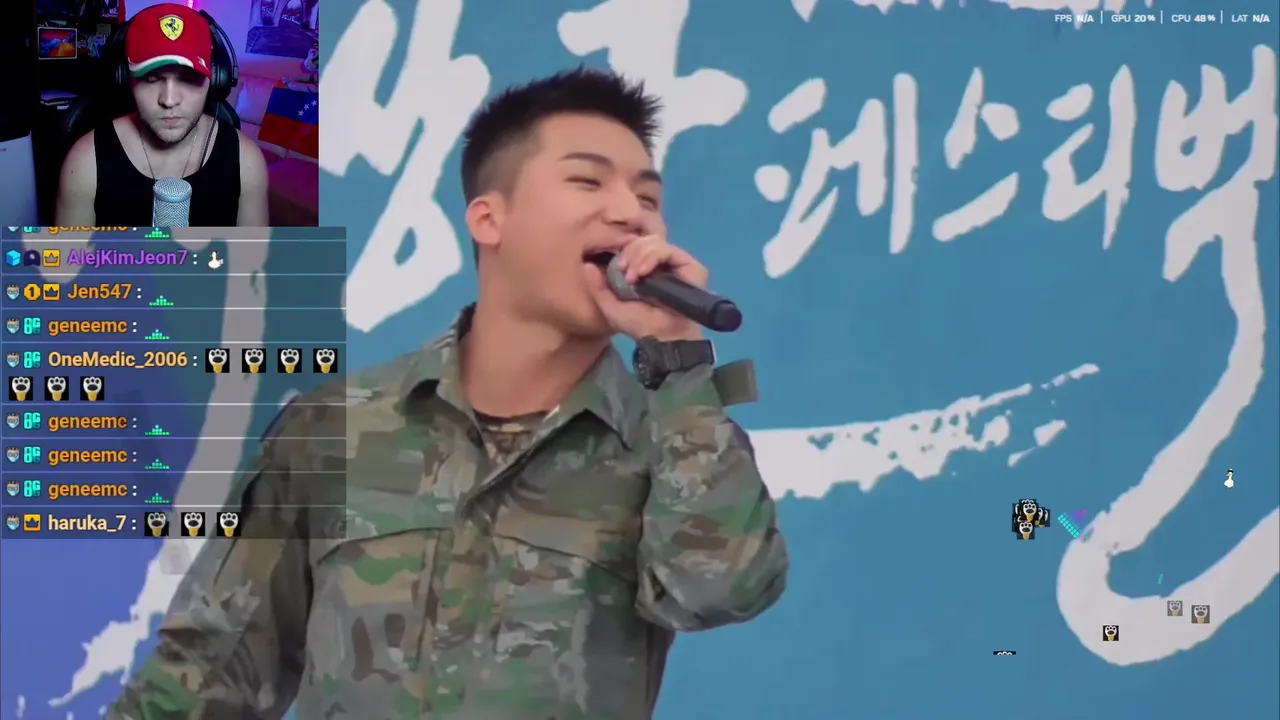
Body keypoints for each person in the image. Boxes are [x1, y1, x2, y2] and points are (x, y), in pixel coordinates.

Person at [106, 68, 789, 719]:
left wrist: (678, 361)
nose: (629, 214)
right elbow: (210, 673)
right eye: (587, 181)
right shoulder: (335, 427)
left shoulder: (666, 440)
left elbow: (721, 589)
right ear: (489, 218)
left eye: (647, 199)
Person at [55, 3, 268, 226]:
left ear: (215, 79)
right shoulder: (84, 163)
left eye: (188, 78)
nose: (169, 100)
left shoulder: (246, 161)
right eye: (151, 78)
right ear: (124, 78)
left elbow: (254, 249)